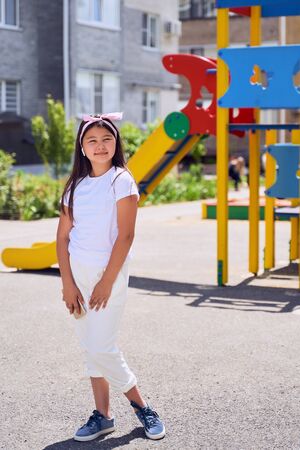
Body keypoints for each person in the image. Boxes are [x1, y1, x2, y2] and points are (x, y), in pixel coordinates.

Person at [56, 112, 165, 442]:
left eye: (107, 139)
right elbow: (62, 237)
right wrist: (68, 284)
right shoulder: (74, 186)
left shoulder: (122, 180)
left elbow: (126, 236)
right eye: (92, 140)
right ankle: (103, 416)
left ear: (115, 144)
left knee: (102, 346)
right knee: (90, 347)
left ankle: (143, 407)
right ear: (82, 147)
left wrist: (106, 281)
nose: (100, 145)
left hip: (110, 274)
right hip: (77, 274)